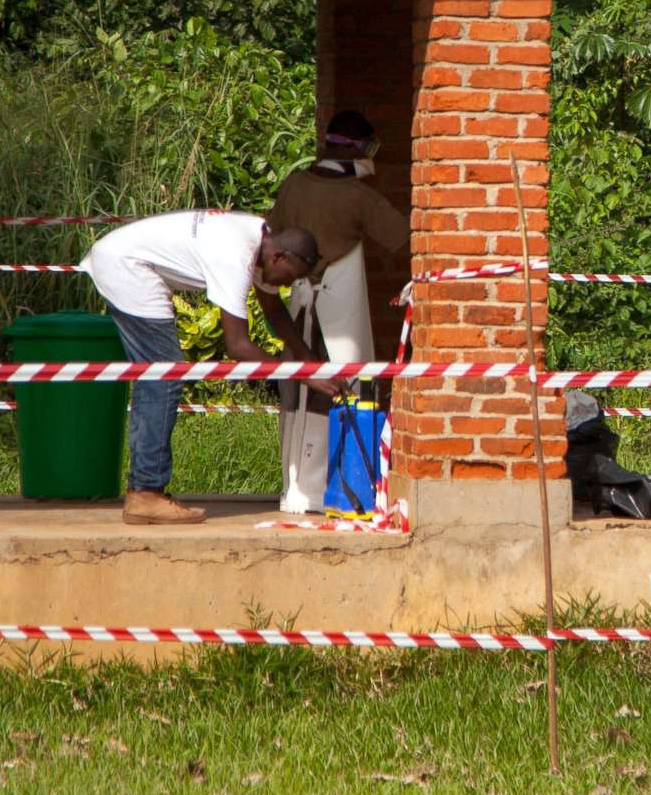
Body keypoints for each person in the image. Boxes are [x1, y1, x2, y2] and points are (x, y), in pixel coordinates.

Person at [83, 211, 324, 525]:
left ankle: (144, 489)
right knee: (164, 376)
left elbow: (275, 313)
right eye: (292, 276)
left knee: (156, 378)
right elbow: (238, 346)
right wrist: (301, 375)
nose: (290, 284)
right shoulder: (236, 254)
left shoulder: (258, 240)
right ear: (278, 257)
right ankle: (146, 493)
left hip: (123, 259)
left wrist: (311, 362)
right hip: (127, 267)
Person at [266, 110, 411, 512]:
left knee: (296, 392)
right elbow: (403, 237)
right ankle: (324, 489)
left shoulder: (294, 185)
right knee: (341, 390)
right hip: (337, 312)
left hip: (296, 308)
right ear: (361, 151)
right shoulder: (357, 196)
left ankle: (295, 489)